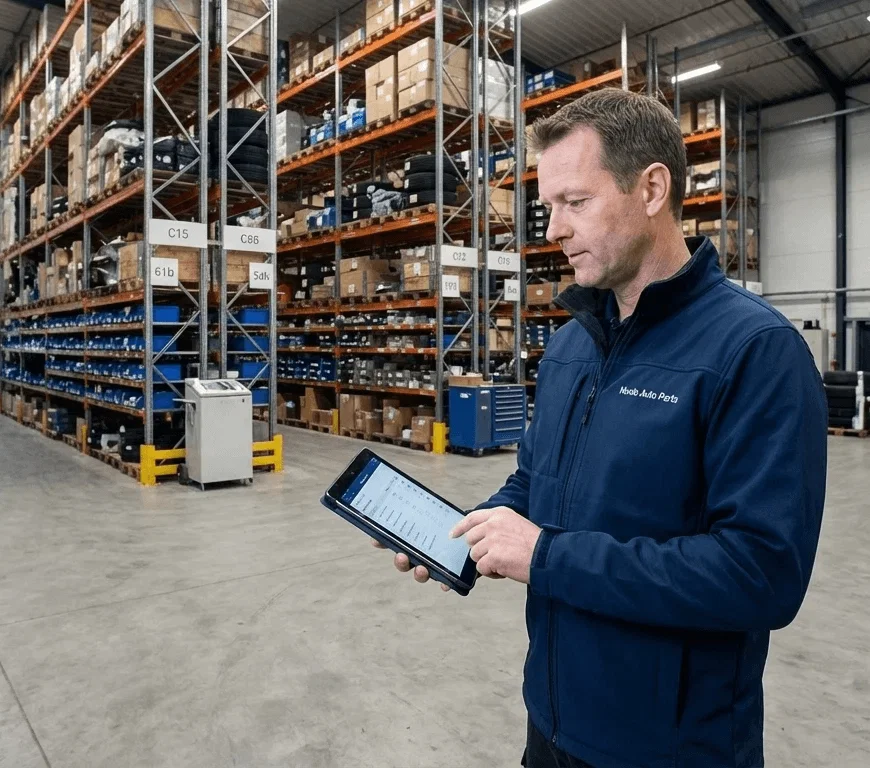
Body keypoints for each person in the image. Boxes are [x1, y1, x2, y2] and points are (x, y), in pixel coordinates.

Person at [376, 88, 827, 768]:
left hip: (669, 745)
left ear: (651, 188)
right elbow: (536, 483)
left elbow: (761, 574)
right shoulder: (570, 348)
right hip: (552, 721)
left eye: (575, 203)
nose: (553, 229)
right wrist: (475, 530)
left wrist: (546, 556)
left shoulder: (753, 351)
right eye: (548, 206)